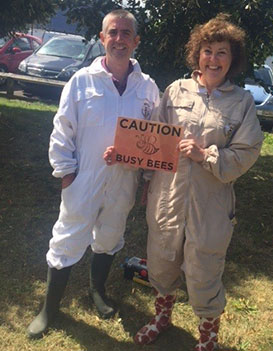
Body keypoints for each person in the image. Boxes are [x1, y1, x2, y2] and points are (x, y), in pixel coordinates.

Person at [133, 14, 264, 350]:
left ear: (232, 59)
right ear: (197, 54)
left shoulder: (242, 101)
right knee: (161, 260)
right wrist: (147, 181)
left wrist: (205, 155)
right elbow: (153, 142)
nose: (214, 59)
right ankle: (162, 318)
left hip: (211, 204)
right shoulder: (176, 89)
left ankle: (208, 339)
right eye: (208, 51)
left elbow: (247, 153)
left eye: (222, 52)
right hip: (167, 194)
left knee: (204, 270)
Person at [27, 9, 159, 339]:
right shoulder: (81, 81)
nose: (119, 39)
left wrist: (145, 178)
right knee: (67, 238)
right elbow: (62, 130)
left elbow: (154, 140)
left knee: (111, 236)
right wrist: (66, 174)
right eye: (112, 33)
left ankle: (97, 290)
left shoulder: (148, 88)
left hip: (124, 180)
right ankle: (49, 308)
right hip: (83, 177)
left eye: (126, 33)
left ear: (136, 41)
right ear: (102, 38)